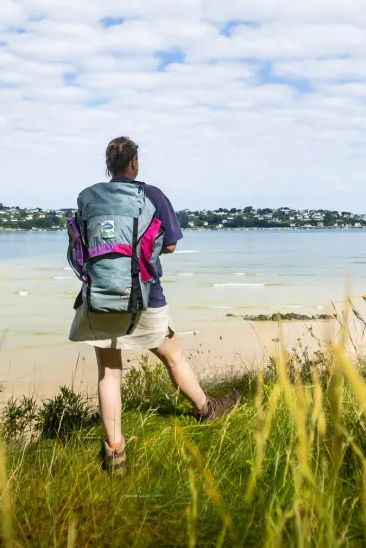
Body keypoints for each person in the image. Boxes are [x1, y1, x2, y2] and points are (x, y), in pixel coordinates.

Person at [69, 136, 240, 473]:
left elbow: (81, 244)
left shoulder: (90, 198)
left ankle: (115, 453)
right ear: (134, 163)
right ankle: (206, 410)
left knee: (109, 372)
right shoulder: (152, 195)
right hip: (143, 295)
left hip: (98, 297)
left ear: (109, 165)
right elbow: (171, 245)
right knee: (173, 355)